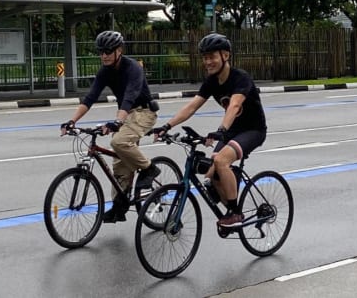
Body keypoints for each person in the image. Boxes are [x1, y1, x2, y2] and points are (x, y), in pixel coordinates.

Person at [154, 33, 267, 228]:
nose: (208, 62)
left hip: (253, 130)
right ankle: (231, 201)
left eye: (212, 56)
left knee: (221, 161)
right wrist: (167, 126)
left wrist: (220, 130)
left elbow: (234, 105)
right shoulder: (212, 81)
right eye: (205, 58)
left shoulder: (240, 78)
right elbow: (192, 107)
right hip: (232, 132)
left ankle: (235, 213)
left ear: (225, 55)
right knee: (210, 174)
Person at [60, 30, 160, 223]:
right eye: (101, 51)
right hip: (127, 114)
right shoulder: (105, 71)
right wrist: (72, 121)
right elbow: (90, 98)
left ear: (119, 50)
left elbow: (129, 97)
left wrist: (117, 122)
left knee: (119, 142)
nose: (104, 55)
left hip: (144, 112)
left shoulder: (133, 68)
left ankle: (149, 169)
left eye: (108, 51)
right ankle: (119, 206)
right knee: (119, 163)